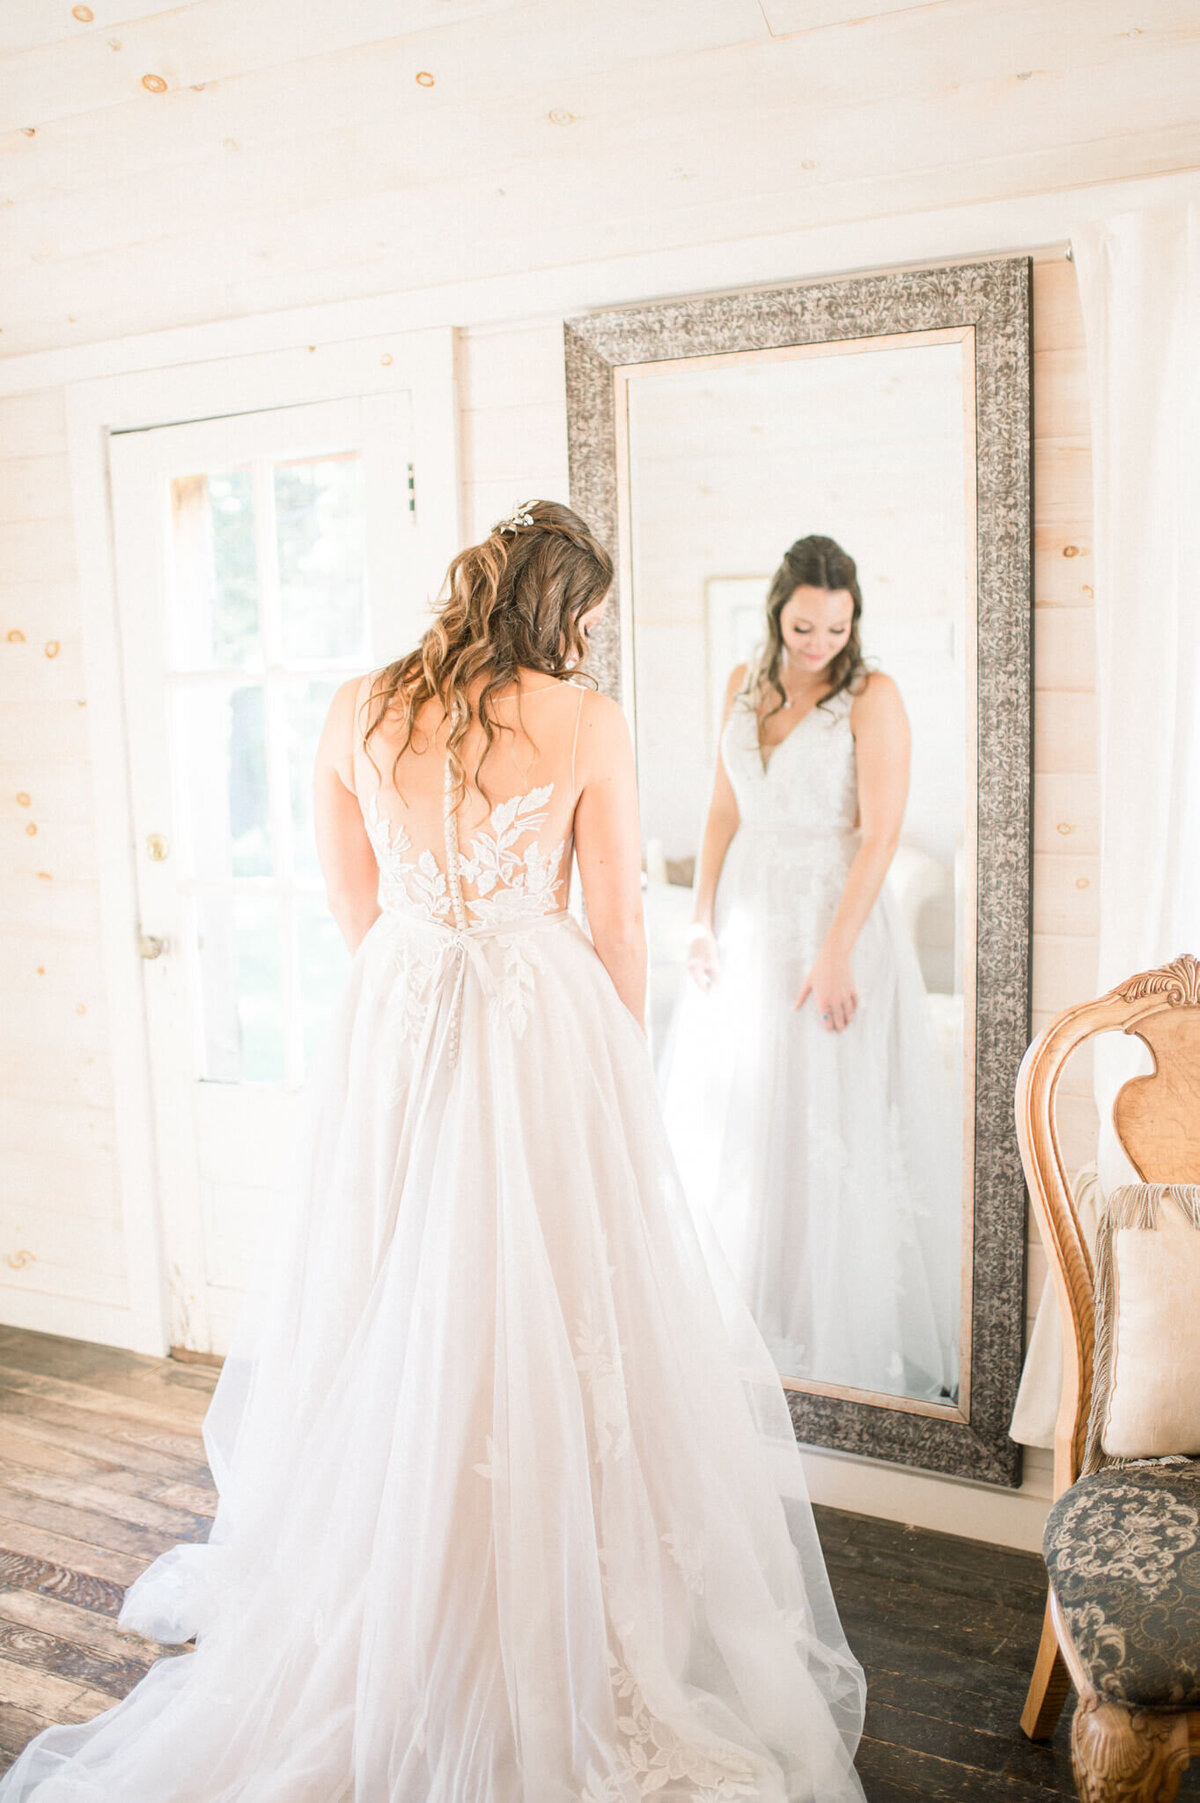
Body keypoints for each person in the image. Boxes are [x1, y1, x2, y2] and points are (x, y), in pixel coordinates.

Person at [0, 502, 865, 1802]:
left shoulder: (353, 704)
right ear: (559, 608)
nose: (587, 636)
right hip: (539, 1017)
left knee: (393, 1286)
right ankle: (530, 1580)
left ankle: (397, 1562)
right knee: (545, 1299)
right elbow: (620, 916)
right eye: (585, 615)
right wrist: (617, 1065)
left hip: (396, 1014)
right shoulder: (588, 718)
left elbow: (351, 897)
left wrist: (419, 1002)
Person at [660, 535, 960, 1402]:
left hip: (837, 916)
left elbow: (883, 831)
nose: (818, 640)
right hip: (750, 916)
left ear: (853, 618)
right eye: (803, 624)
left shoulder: (872, 697)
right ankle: (754, 1313)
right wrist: (700, 916)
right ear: (778, 610)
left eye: (835, 625)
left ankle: (837, 1327)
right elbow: (722, 807)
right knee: (752, 1114)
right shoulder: (740, 686)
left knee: (830, 1119)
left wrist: (835, 951)